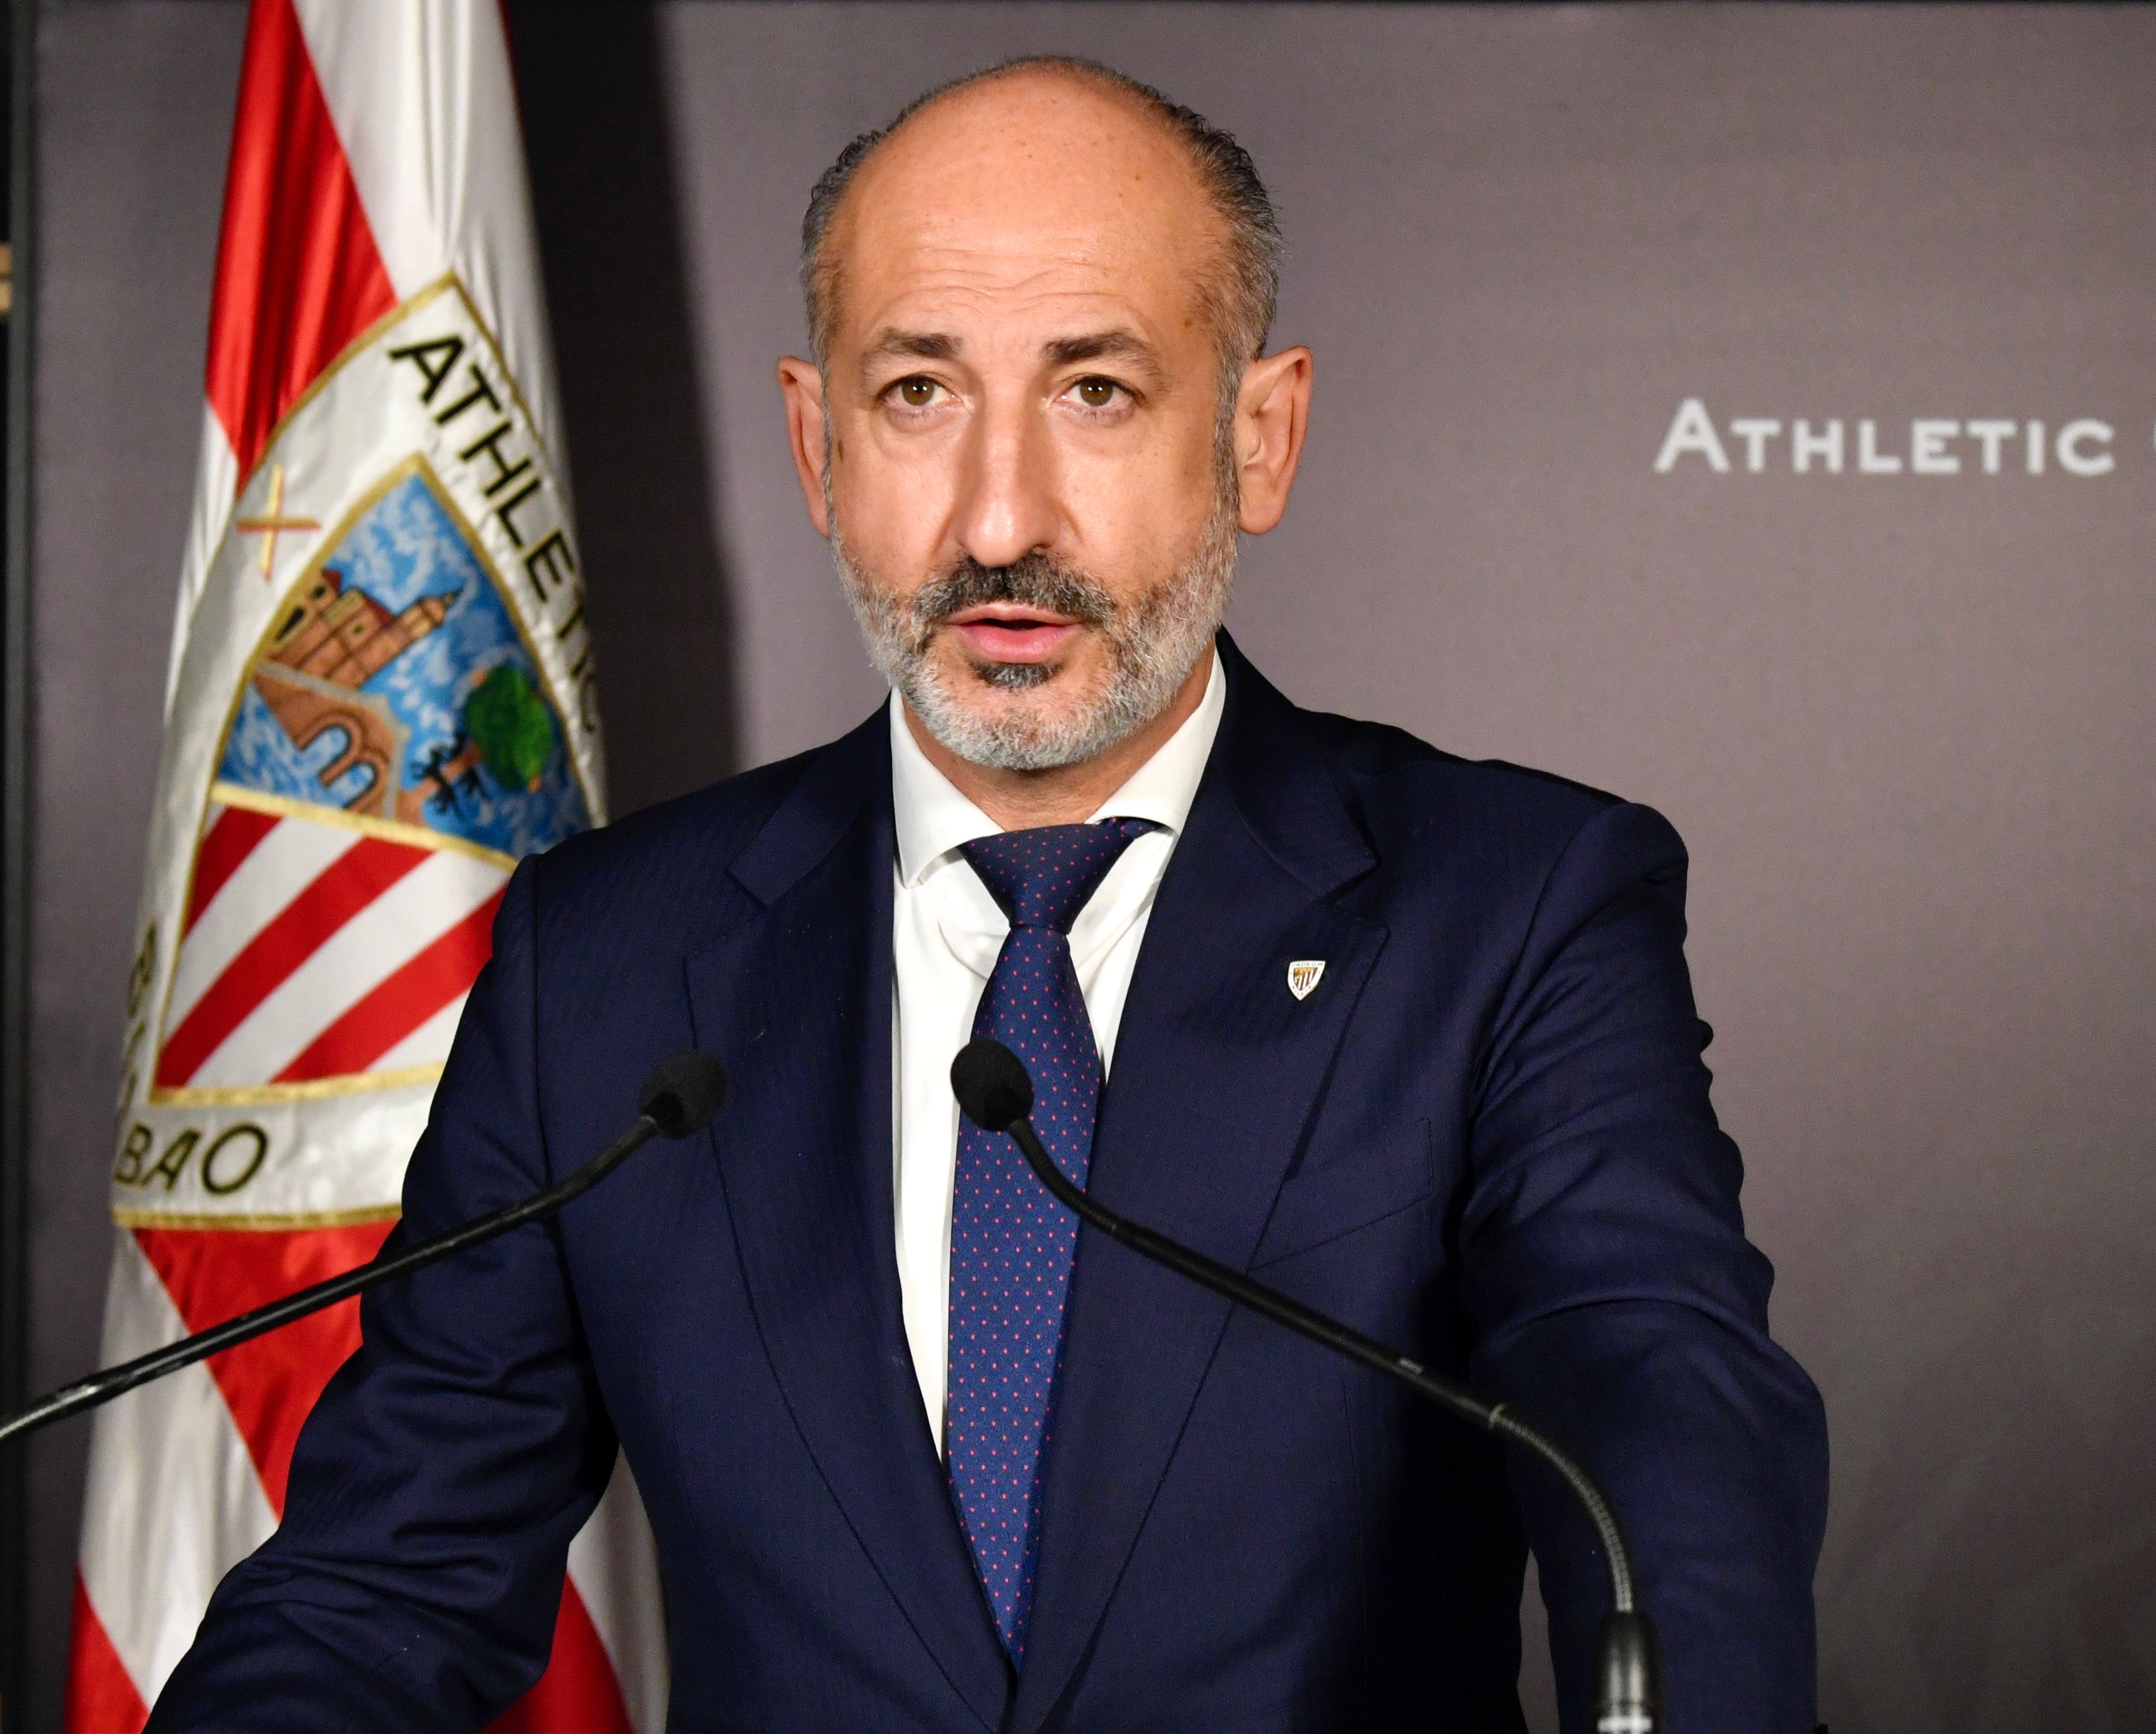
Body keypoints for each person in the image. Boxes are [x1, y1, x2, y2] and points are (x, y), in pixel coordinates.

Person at [152, 56, 1827, 1734]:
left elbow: (1656, 1422)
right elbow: (385, 1583)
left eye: (1097, 390)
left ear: (1259, 436)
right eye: (918, 398)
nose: (1000, 516)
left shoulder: (1512, 910)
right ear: (816, 446)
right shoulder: (603, 962)